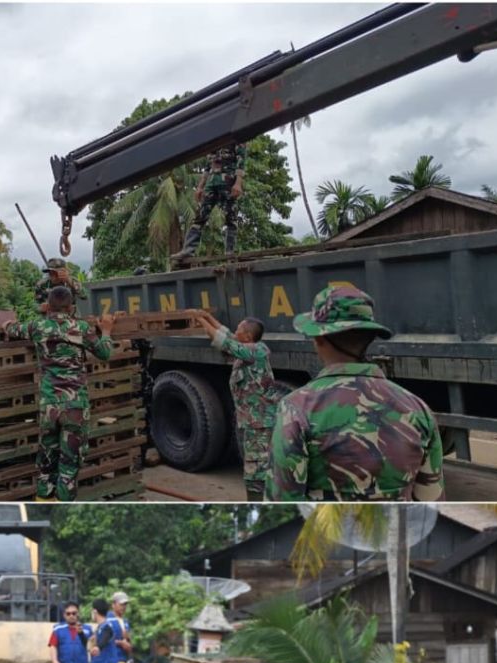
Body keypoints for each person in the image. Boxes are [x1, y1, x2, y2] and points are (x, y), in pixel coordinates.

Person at [265, 283, 445, 502]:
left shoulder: (296, 409)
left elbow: (282, 501)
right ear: (370, 338)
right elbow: (432, 501)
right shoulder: (419, 409)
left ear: (318, 338)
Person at [2, 287, 116, 501]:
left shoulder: (37, 326)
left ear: (48, 306)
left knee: (46, 462)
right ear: (71, 307)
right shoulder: (81, 328)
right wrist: (107, 331)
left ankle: (43, 504)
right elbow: (105, 353)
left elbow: (11, 328)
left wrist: (7, 324)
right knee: (69, 465)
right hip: (75, 406)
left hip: (50, 406)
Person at [195, 309, 291, 500]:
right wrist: (206, 318)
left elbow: (224, 341)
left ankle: (259, 501)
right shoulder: (247, 348)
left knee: (256, 467)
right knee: (258, 463)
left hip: (259, 422)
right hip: (252, 420)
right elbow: (226, 335)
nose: (235, 331)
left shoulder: (255, 351)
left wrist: (197, 319)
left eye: (239, 329)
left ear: (247, 336)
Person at [175, 142, 247, 261]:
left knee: (230, 217)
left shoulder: (234, 137)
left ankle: (229, 252)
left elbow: (241, 160)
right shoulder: (214, 140)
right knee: (199, 217)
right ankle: (188, 250)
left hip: (228, 180)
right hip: (211, 183)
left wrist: (238, 183)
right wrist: (200, 186)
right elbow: (208, 167)